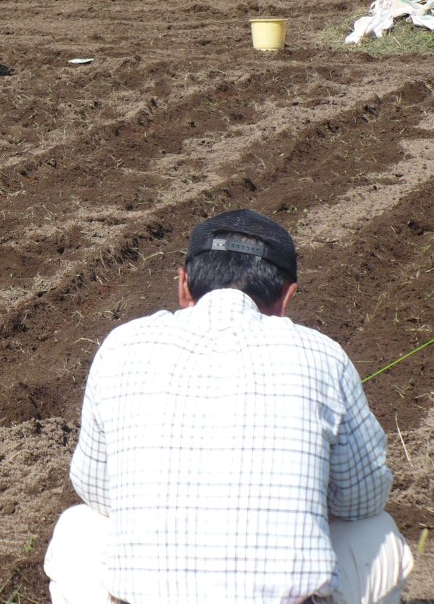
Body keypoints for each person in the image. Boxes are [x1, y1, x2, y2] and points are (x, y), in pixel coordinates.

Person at [44, 209, 414, 604]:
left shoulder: (121, 345)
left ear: (183, 285)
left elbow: (97, 492)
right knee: (378, 532)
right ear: (286, 297)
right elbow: (364, 497)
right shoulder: (324, 355)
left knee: (78, 527)